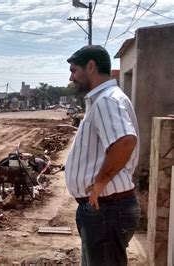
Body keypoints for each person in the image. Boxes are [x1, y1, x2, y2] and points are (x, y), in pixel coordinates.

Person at [65, 45, 141, 266]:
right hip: (104, 209)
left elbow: (125, 142)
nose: (72, 77)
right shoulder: (105, 99)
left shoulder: (106, 100)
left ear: (91, 66)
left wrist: (99, 184)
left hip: (107, 209)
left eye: (74, 70)